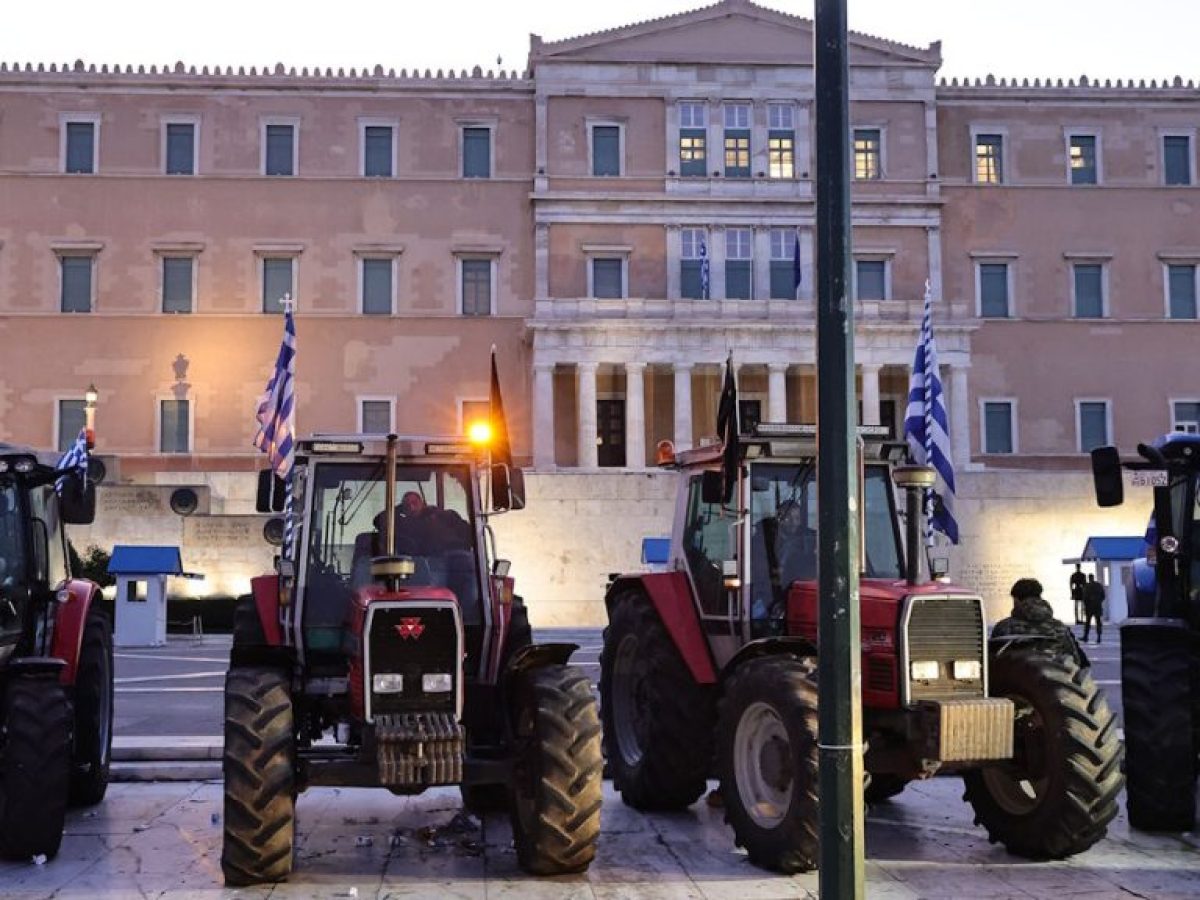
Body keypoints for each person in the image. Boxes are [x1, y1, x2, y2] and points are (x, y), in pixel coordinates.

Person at [992, 577, 1082, 660]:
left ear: (1016, 600)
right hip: (1056, 675)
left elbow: (992, 661)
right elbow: (1076, 660)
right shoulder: (1060, 627)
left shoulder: (1004, 627)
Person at [1082, 573, 1106, 644]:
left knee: (1088, 622)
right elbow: (1103, 596)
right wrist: (1098, 601)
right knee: (1098, 622)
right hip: (1098, 606)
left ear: (1089, 578)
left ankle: (1086, 637)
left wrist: (1086, 606)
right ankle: (1099, 637)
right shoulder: (1099, 586)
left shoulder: (1087, 586)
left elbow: (1085, 598)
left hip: (1089, 607)